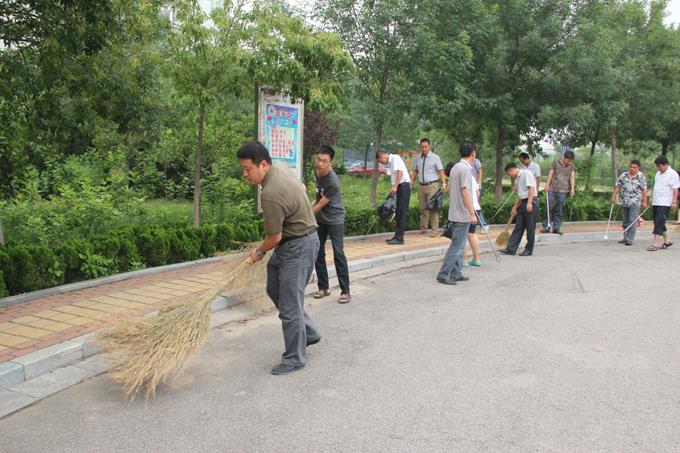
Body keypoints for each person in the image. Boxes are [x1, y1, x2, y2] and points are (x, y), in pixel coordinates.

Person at [237, 141, 321, 375]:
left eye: (248, 169)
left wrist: (258, 252)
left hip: (298, 246)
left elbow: (274, 237)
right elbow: (302, 187)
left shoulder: (270, 194)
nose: (245, 174)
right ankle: (308, 332)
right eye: (243, 169)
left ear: (263, 164)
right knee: (274, 288)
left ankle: (294, 358)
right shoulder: (280, 170)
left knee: (289, 303)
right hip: (292, 244)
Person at [311, 146, 351, 304]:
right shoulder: (316, 172)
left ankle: (345, 291)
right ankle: (323, 287)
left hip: (335, 220)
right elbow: (317, 196)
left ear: (331, 163)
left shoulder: (333, 181)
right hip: (321, 219)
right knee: (318, 251)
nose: (320, 163)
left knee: (338, 253)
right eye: (318, 159)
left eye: (324, 161)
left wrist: (306, 215)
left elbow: (321, 203)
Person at [436, 141, 477, 285]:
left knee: (459, 244)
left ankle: (456, 273)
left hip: (454, 213)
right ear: (473, 154)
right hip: (462, 215)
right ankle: (443, 274)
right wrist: (472, 213)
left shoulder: (455, 167)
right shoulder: (465, 169)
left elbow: (452, 189)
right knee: (457, 246)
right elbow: (465, 191)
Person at [410, 138, 446, 237]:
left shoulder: (435, 157)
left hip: (432, 185)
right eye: (422, 147)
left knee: (433, 208)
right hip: (421, 186)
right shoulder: (418, 158)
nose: (424, 149)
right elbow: (415, 171)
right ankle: (423, 228)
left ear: (429, 147)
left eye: (426, 147)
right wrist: (411, 182)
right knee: (422, 208)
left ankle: (434, 230)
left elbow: (441, 171)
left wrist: (444, 183)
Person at [499, 162, 536, 256]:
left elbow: (531, 188)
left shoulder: (526, 173)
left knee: (530, 227)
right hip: (522, 202)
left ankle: (529, 250)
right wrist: (515, 207)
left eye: (509, 174)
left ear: (511, 170)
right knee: (518, 227)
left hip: (530, 201)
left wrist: (529, 203)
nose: (510, 176)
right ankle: (510, 249)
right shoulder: (518, 179)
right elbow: (520, 195)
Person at [376, 150, 411, 245]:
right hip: (400, 187)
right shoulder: (392, 162)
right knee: (398, 213)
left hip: (403, 186)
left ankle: (399, 238)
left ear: (382, 156)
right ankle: (397, 236)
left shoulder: (395, 158)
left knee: (402, 212)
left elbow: (400, 172)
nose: (382, 163)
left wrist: (395, 186)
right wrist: (394, 187)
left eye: (380, 161)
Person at [611, 160, 647, 246]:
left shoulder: (641, 177)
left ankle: (629, 239)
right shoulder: (623, 175)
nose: (632, 169)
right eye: (631, 166)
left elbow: (644, 190)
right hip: (624, 200)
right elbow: (618, 186)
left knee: (632, 220)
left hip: (635, 201)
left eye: (634, 167)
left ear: (638, 168)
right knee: (625, 220)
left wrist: (645, 201)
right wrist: (613, 196)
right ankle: (625, 237)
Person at [647, 155, 679, 252]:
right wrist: (651, 198)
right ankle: (667, 241)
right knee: (658, 221)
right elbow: (655, 186)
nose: (658, 168)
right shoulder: (658, 173)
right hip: (656, 201)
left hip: (665, 202)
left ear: (665, 164)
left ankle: (655, 243)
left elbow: (675, 189)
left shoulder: (673, 174)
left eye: (659, 166)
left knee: (659, 222)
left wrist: (674, 201)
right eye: (657, 166)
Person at [542, 150, 576, 234]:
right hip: (552, 189)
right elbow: (550, 174)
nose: (569, 162)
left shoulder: (571, 166)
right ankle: (546, 227)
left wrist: (572, 189)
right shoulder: (555, 163)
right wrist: (547, 185)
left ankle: (556, 227)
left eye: (570, 161)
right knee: (548, 207)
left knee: (559, 209)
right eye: (568, 160)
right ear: (564, 157)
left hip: (563, 191)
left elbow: (572, 177)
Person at [462, 175, 482, 267]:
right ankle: (476, 259)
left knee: (463, 235)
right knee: (471, 234)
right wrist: (474, 202)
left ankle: (464, 261)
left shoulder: (461, 175)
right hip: (476, 207)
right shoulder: (472, 177)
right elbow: (477, 192)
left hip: (466, 209)